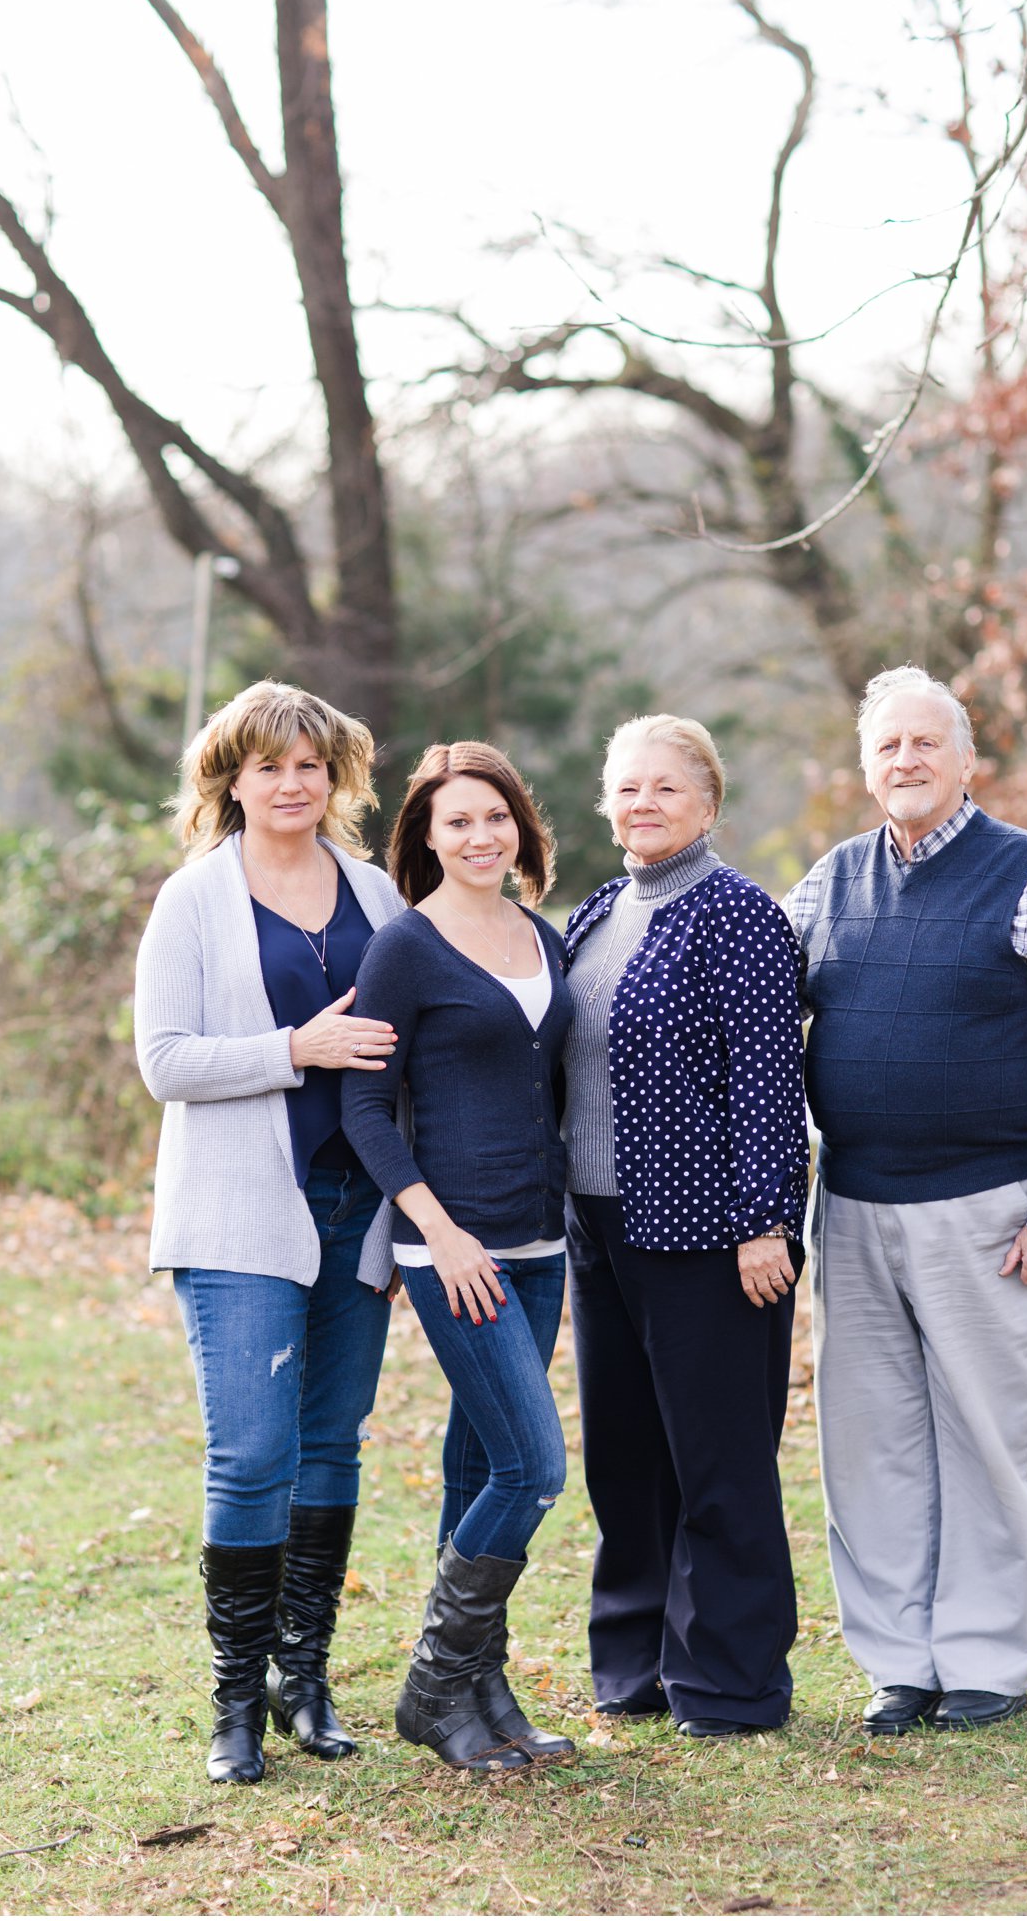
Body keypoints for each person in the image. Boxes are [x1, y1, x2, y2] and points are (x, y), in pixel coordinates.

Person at [784, 664, 1027, 1735]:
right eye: (888, 745)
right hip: (853, 1207)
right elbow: (756, 1004)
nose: (907, 759)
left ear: (967, 758)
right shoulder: (830, 880)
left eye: (927, 741)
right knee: (867, 1443)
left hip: (989, 1209)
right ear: (865, 767)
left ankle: (983, 1658)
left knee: (982, 1438)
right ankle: (899, 1662)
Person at [134, 680, 404, 1784]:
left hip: (359, 1208)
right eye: (268, 766)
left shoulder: (378, 893)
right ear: (231, 780)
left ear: (335, 775)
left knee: (331, 1445)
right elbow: (165, 1061)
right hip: (239, 1214)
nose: (292, 783)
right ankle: (236, 1702)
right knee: (252, 1456)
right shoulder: (193, 900)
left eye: (309, 764)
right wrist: (296, 1049)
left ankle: (306, 1679)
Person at [561, 713, 809, 1740]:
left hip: (711, 1235)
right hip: (596, 1228)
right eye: (628, 787)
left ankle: (731, 1682)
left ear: (707, 805)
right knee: (624, 1458)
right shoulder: (596, 910)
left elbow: (769, 1082)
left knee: (718, 1460)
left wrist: (767, 1221)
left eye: (666, 786)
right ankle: (635, 1664)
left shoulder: (739, 916)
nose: (644, 803)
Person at [342, 742, 575, 1772]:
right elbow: (363, 1106)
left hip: (542, 1241)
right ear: (427, 839)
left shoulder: (542, 936)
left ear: (520, 826)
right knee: (533, 1465)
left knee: (478, 1462)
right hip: (456, 1248)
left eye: (495, 817)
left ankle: (484, 1690)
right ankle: (434, 1687)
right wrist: (435, 1230)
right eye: (458, 821)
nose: (481, 836)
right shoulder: (405, 946)